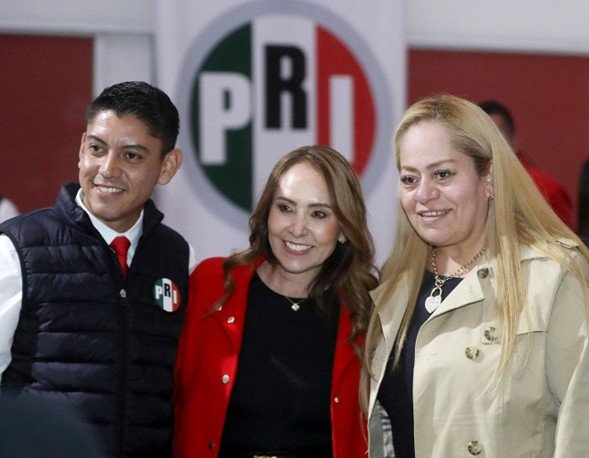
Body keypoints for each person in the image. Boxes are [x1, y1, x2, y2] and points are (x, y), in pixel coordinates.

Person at [364, 95, 589, 457]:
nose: (424, 194)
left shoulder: (553, 277)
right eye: (410, 178)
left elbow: (582, 428)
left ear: (489, 178)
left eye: (442, 174)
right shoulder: (394, 287)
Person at [0, 81, 197, 456]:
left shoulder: (178, 257)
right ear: (81, 150)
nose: (108, 169)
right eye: (97, 148)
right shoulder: (16, 248)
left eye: (132, 156)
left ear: (168, 166)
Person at [174, 145, 379, 457]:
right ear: (267, 213)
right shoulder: (211, 284)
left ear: (343, 230)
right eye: (285, 208)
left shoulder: (367, 312)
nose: (297, 228)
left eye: (318, 214)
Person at [479, 100, 573, 228]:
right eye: (480, 139)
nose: (488, 146)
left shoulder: (547, 190)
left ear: (514, 142)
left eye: (496, 139)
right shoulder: (463, 189)